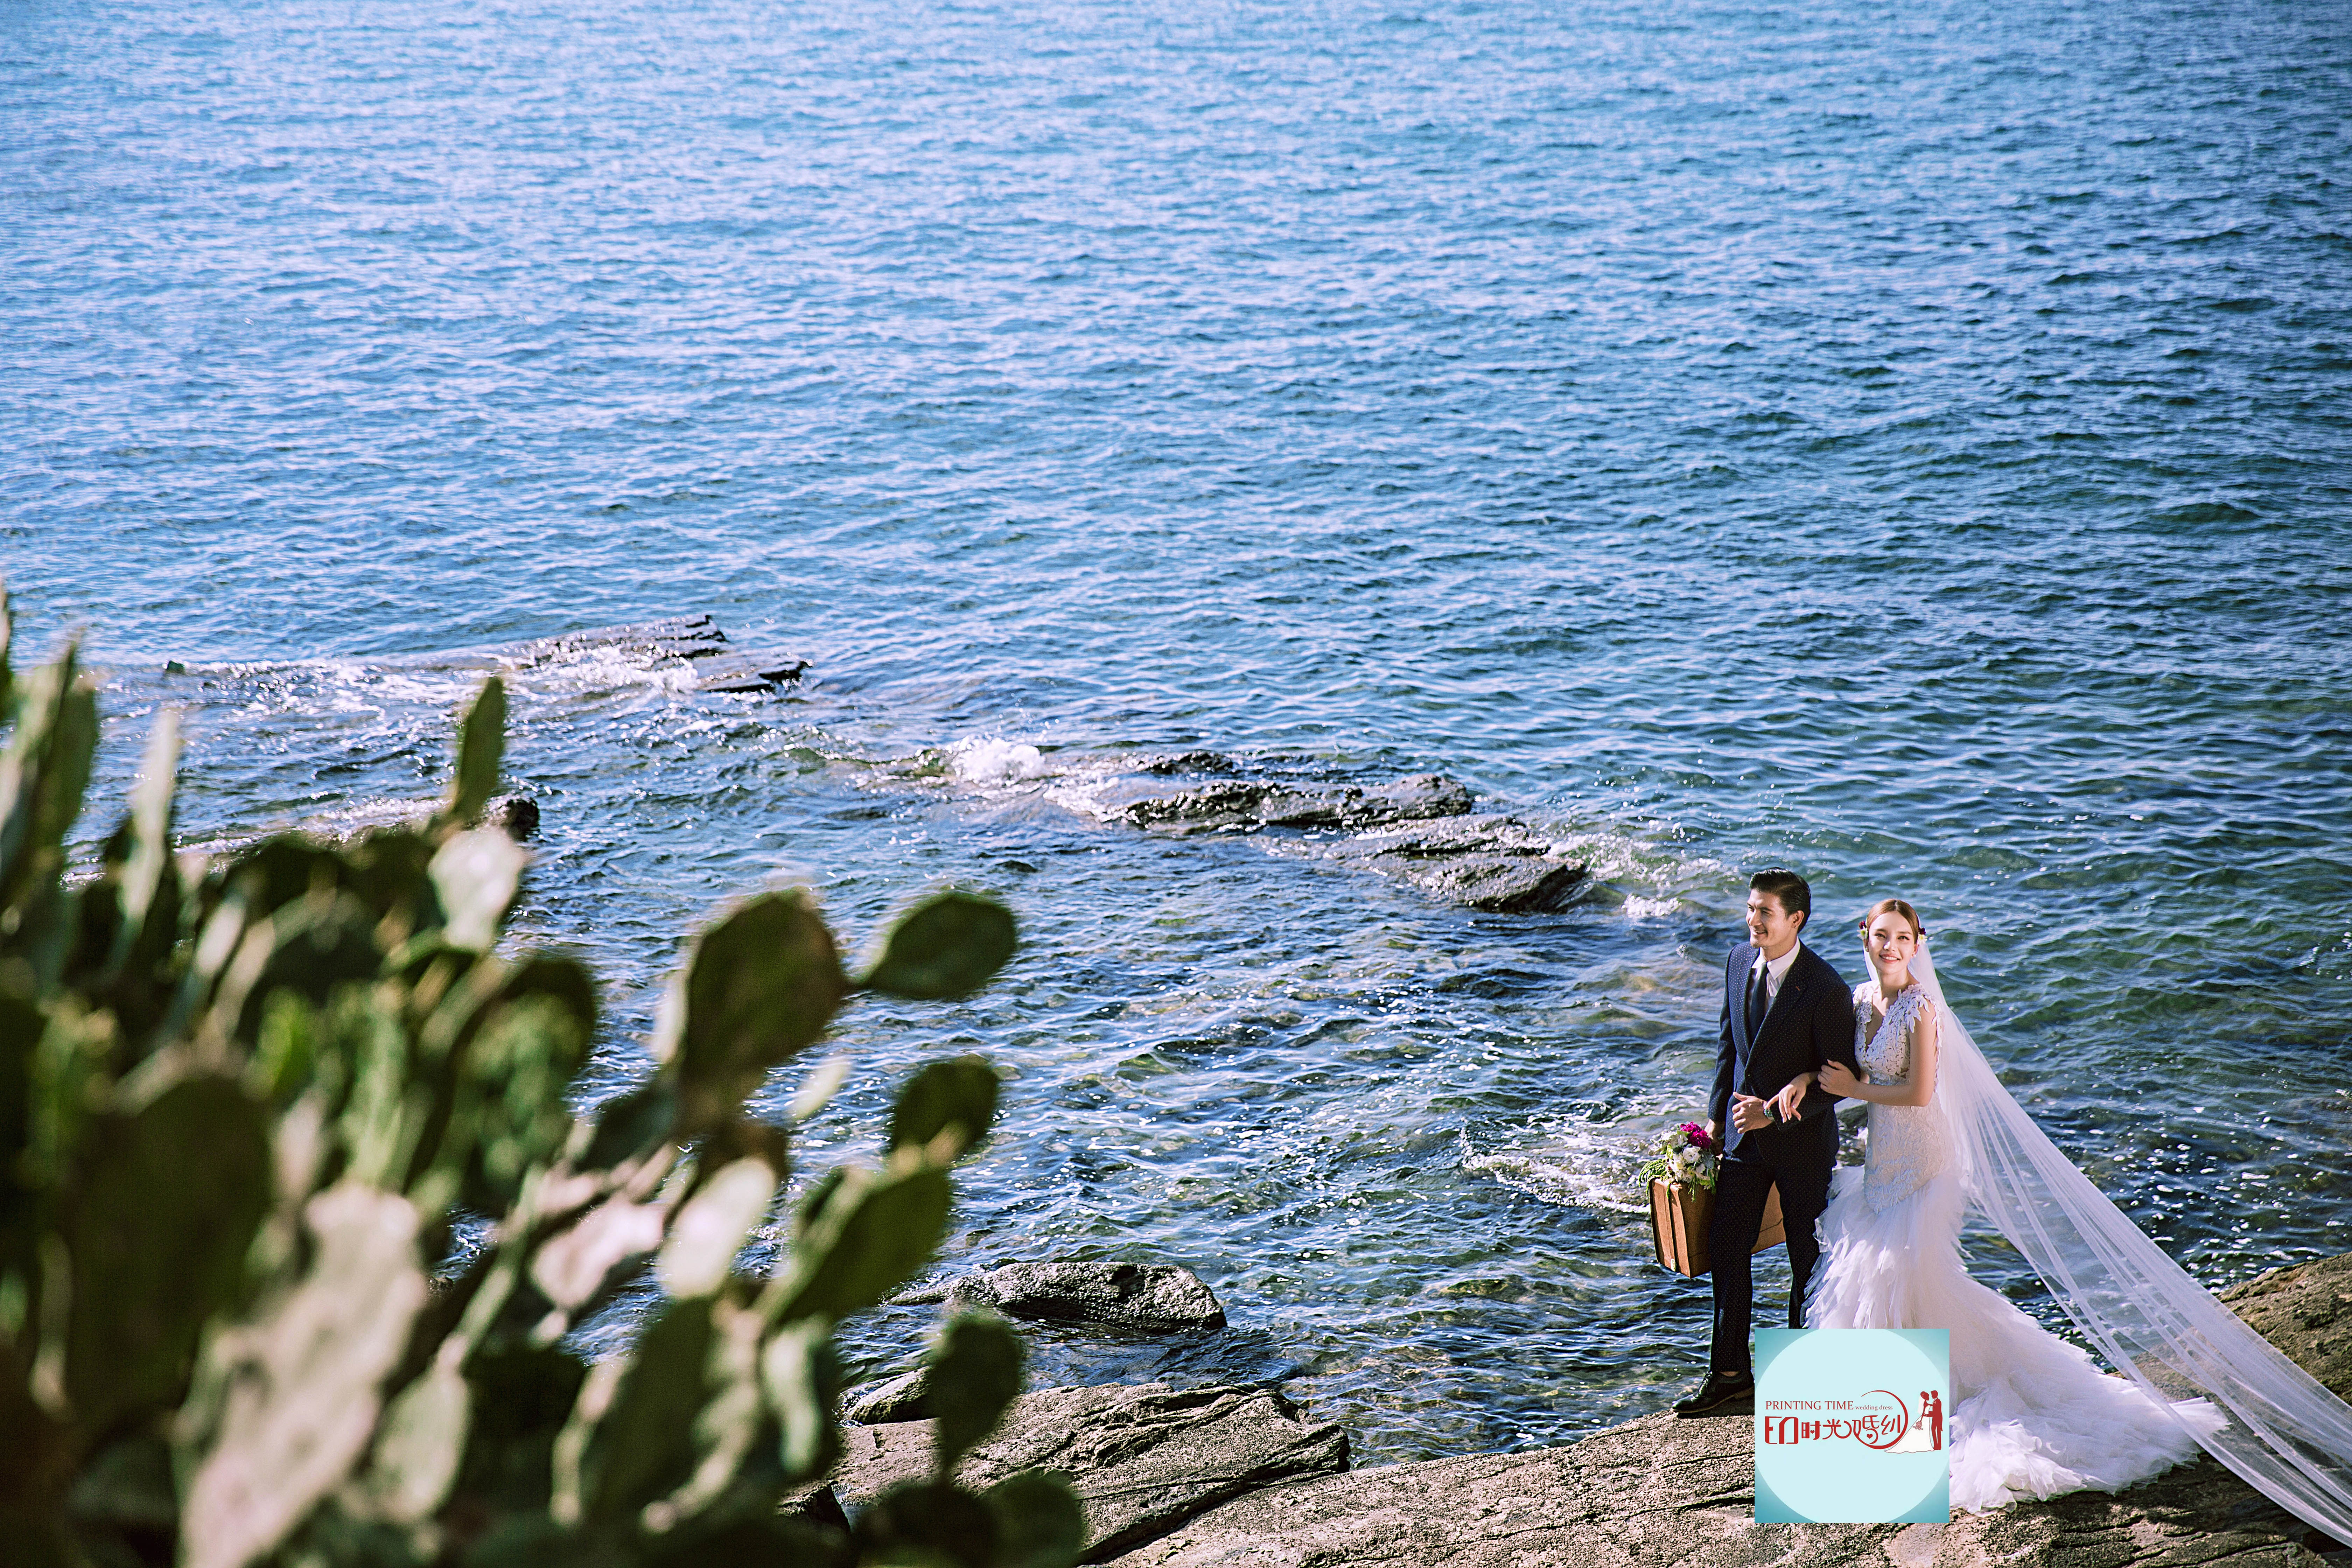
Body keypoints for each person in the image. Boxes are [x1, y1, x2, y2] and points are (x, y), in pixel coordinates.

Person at [1802, 898, 2223, 1510]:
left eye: (1901, 938)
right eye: (1879, 936)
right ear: (1864, 937)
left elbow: (1919, 1091)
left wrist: (1853, 1089)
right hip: (1880, 1167)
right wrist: (1805, 1087)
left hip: (1925, 1166)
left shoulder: (1922, 1006)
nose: (1889, 948)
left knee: (1908, 1276)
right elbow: (1832, 1069)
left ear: (1918, 942)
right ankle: (1880, 1412)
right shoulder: (1863, 1002)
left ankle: (1923, 1408)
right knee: (1879, 1283)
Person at [1673, 869, 1861, 1418]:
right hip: (1739, 1141)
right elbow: (1728, 1048)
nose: (1753, 920)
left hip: (1801, 1146)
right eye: (1751, 909)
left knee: (1806, 1259)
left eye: (1765, 913)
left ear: (1795, 920)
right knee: (1727, 1248)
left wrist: (1773, 1117)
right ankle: (1730, 1376)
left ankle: (1802, 1388)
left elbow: (1839, 1082)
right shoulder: (1737, 961)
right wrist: (1715, 1122)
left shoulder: (1826, 989)